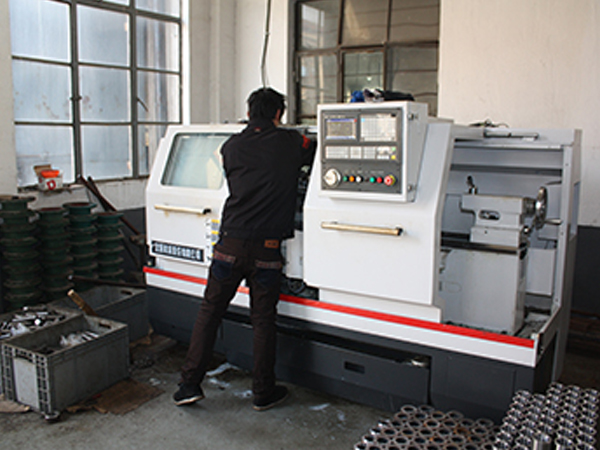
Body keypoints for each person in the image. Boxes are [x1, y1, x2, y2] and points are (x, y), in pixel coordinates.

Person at [173, 87, 313, 411]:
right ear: (278, 114)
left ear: (248, 113)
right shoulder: (291, 142)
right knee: (263, 321)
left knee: (209, 313)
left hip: (229, 245)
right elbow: (313, 151)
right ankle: (263, 392)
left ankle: (188, 385)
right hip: (267, 251)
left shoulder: (231, 146)